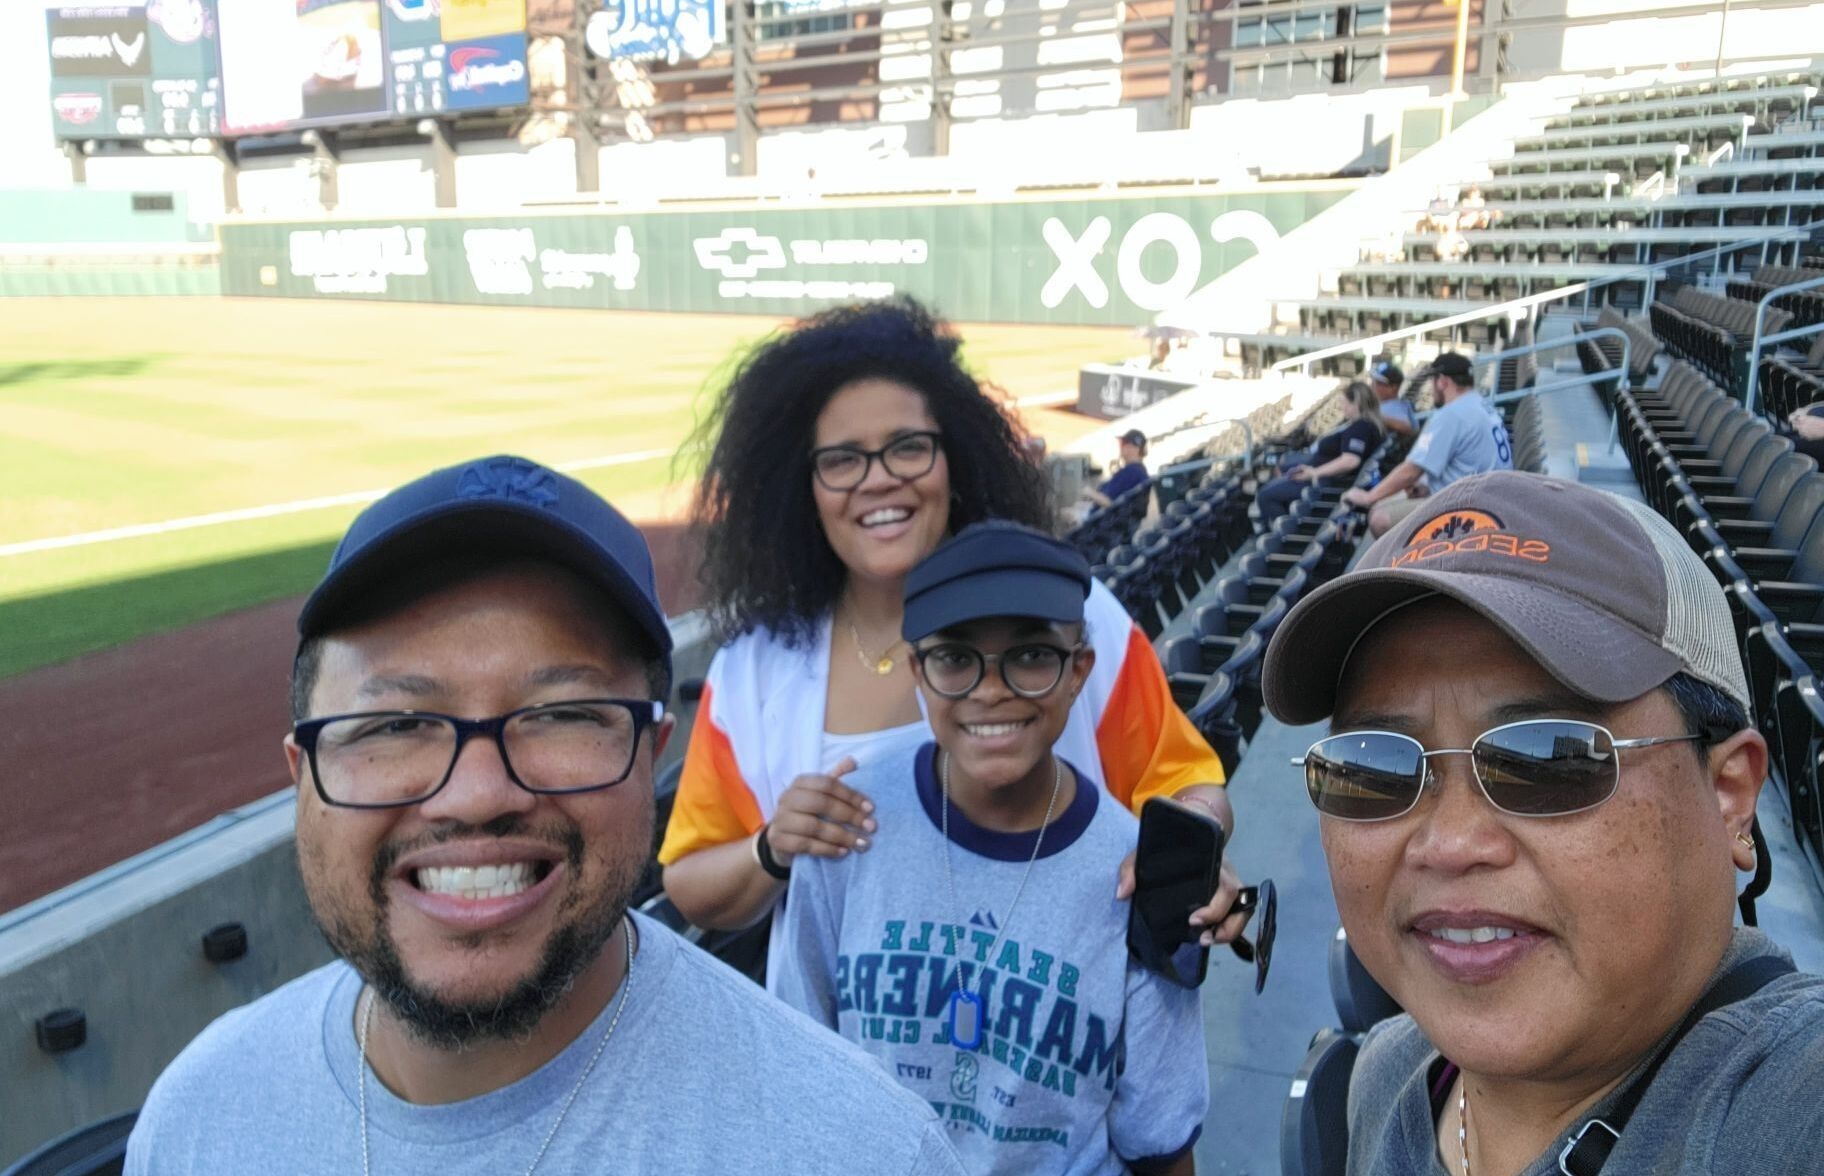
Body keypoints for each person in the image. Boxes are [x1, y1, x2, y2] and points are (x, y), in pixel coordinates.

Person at [126, 455, 966, 1175]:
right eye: (395, 725)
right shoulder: (197, 1119)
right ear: (302, 777)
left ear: (650, 757)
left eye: (562, 715)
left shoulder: (863, 1151)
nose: (477, 795)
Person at [659, 298, 1243, 982]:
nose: (879, 478)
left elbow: (1190, 786)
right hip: (839, 1046)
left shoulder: (1082, 619)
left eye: (909, 447)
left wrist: (1187, 855)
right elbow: (691, 882)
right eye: (842, 460)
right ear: (802, 486)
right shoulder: (753, 671)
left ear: (955, 460)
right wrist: (771, 848)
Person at [1261, 471, 1824, 1176]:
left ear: (1728, 794)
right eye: (1375, 769)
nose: (1451, 843)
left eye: (1546, 761)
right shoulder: (1385, 1074)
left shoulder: (1792, 1105)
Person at [773, 521, 1208, 1175]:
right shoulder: (846, 825)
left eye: (1031, 654)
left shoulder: (1132, 873)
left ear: (1078, 671)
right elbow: (801, 1066)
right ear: (918, 672)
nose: (991, 689)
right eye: (955, 658)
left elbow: (1162, 1144)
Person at [1342, 352, 1511, 537]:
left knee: (1380, 518)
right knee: (1383, 503)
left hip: (1471, 506)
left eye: (1433, 380)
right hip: (1488, 497)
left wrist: (1368, 497)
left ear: (1443, 382)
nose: (1431, 387)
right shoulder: (1479, 403)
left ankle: (1424, 556)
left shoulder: (1451, 414)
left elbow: (1411, 470)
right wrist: (1424, 485)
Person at [1254, 380, 1386, 526]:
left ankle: (1285, 532)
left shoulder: (1360, 428)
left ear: (1355, 404)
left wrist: (1314, 472)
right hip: (1321, 475)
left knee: (1265, 495)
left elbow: (1350, 461)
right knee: (1281, 472)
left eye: (1344, 402)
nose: (1341, 406)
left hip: (1323, 482)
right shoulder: (1366, 425)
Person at [1078, 428, 1151, 511]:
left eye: (1123, 444)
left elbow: (1110, 502)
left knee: (1069, 512)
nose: (1120, 448)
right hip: (1107, 515)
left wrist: (1089, 492)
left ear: (1133, 449)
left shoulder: (1131, 472)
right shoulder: (1138, 471)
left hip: (1106, 517)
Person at [1367, 359, 1416, 438]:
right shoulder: (1386, 405)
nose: (1372, 386)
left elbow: (1408, 428)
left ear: (1393, 387)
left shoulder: (1396, 407)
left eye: (1378, 383)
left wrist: (1374, 417)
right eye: (1373, 381)